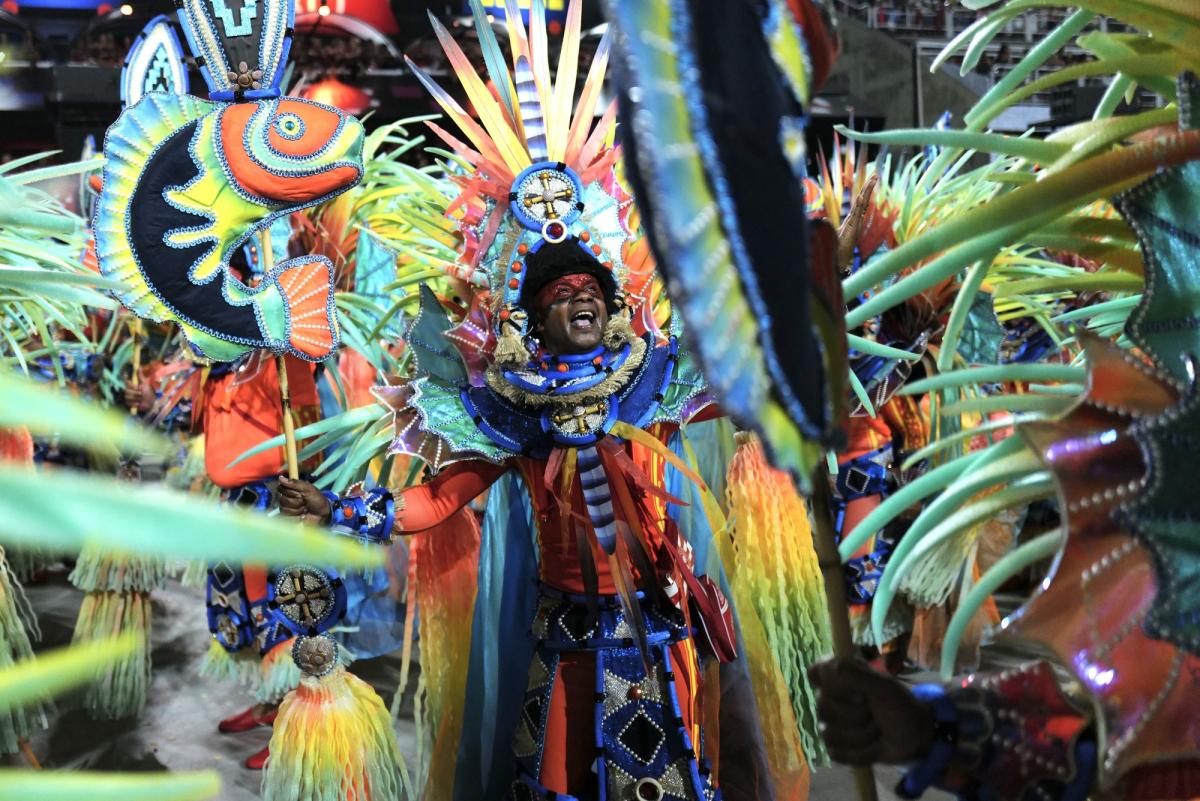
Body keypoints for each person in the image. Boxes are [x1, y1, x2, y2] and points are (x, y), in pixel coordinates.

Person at [278, 238, 735, 799]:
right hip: (565, 630)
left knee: (660, 783)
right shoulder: (513, 412)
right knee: (553, 784)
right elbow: (438, 500)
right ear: (535, 324)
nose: (581, 298)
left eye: (591, 292)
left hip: (651, 630)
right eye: (562, 295)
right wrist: (337, 509)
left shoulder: (652, 381)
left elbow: (742, 391)